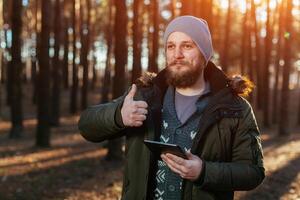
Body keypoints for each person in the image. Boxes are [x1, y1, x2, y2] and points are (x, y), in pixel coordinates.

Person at [78, 15, 265, 200]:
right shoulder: (145, 95)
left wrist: (204, 171)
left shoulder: (233, 108)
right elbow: (86, 126)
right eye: (171, 46)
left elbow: (253, 172)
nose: (177, 55)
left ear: (204, 54)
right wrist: (118, 116)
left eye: (187, 46)